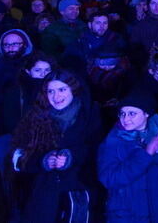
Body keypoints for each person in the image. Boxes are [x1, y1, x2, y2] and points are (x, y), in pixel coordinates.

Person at [10, 69, 102, 222]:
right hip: (42, 195)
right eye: (50, 91)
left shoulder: (90, 115)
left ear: (73, 89)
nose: (56, 96)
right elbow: (18, 159)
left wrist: (71, 156)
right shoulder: (35, 118)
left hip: (79, 192)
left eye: (62, 89)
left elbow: (97, 152)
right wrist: (43, 161)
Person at [97, 91, 158, 223]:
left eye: (132, 113)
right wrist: (145, 155)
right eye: (122, 113)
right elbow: (109, 178)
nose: (126, 119)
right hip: (127, 214)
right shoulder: (112, 141)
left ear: (146, 113)